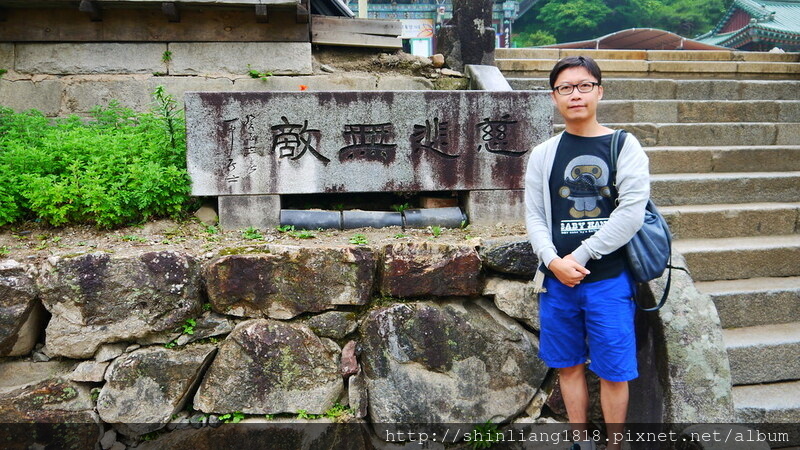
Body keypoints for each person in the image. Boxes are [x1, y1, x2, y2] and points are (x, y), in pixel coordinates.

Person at [524, 56, 650, 450]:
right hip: (557, 282)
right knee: (568, 365)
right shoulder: (543, 153)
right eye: (565, 88)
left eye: (583, 86)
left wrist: (580, 255)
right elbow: (535, 215)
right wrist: (552, 261)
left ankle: (615, 444)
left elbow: (631, 214)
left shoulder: (623, 145)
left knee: (614, 369)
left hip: (609, 279)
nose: (574, 95)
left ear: (599, 90)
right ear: (554, 97)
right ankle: (580, 441)